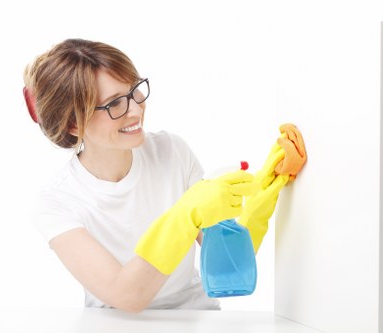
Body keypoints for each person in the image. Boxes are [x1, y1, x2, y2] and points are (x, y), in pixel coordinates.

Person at [22, 38, 306, 313]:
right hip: (115, 325)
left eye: (134, 91)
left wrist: (263, 195)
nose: (135, 110)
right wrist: (184, 215)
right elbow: (127, 296)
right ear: (74, 123)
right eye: (114, 103)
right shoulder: (56, 201)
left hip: (196, 317)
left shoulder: (171, 152)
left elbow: (226, 264)